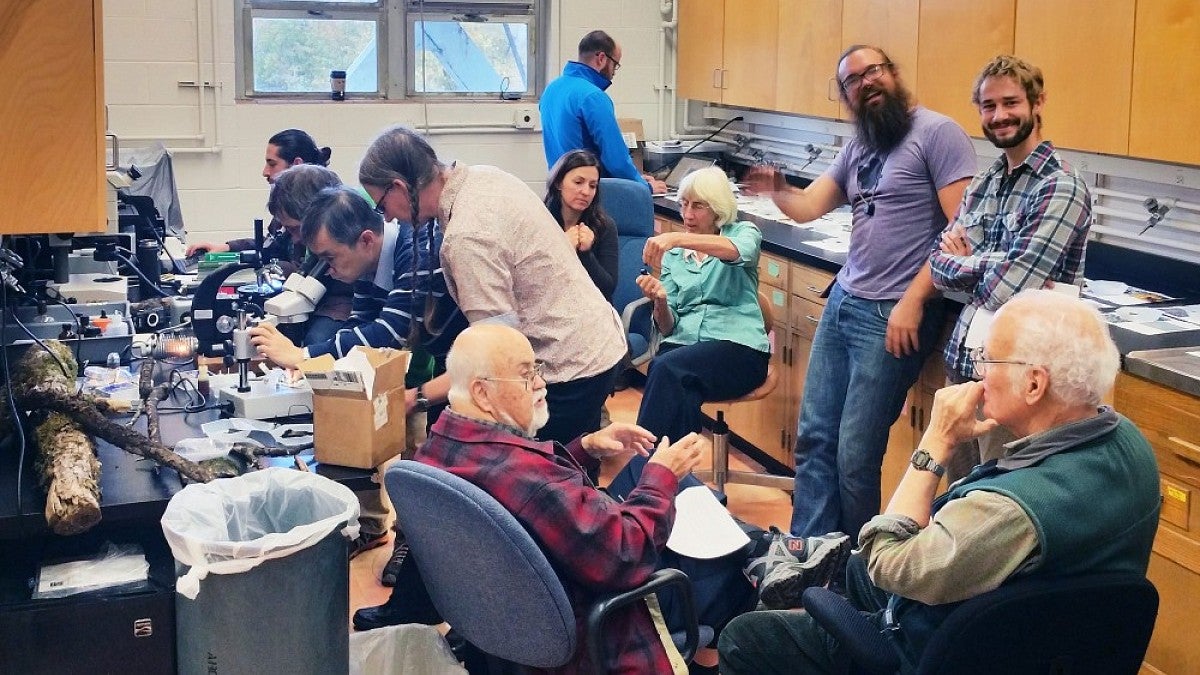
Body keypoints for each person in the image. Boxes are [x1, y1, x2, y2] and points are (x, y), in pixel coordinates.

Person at [354, 324, 851, 673]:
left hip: (520, 612)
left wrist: (584, 448)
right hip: (602, 617)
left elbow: (532, 496)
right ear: (484, 393)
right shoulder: (533, 480)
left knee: (644, 469)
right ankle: (764, 560)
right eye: (527, 375)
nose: (541, 384)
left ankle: (769, 551)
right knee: (674, 492)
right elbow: (626, 552)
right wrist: (663, 476)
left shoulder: (441, 446)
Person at [717, 290, 1162, 674]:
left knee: (746, 636)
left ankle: (775, 561)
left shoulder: (1010, 511)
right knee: (847, 567)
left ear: (1034, 383)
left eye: (989, 358)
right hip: (1044, 645)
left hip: (934, 649)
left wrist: (937, 440)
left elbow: (888, 563)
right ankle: (793, 556)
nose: (978, 369)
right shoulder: (1131, 447)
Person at [743, 45, 977, 543]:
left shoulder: (937, 134)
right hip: (845, 300)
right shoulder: (860, 146)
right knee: (814, 438)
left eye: (873, 71)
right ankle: (806, 553)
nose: (865, 83)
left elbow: (963, 234)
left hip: (894, 312)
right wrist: (778, 188)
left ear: (893, 74)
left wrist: (914, 300)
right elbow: (808, 207)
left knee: (854, 453)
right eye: (852, 80)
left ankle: (855, 566)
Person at [356, 124, 627, 447]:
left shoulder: (467, 237)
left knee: (551, 474)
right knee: (568, 468)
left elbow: (495, 355)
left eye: (381, 205)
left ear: (400, 187)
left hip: (569, 364)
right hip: (593, 339)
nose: (386, 218)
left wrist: (417, 397)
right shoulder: (482, 176)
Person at [250, 186, 469, 559]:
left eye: (329, 257)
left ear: (366, 240)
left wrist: (303, 355)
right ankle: (380, 529)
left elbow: (392, 331)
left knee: (433, 461)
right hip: (446, 354)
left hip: (472, 358)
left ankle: (416, 546)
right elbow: (363, 328)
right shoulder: (370, 264)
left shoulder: (415, 255)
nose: (328, 270)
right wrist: (322, 367)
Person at [929, 55, 1094, 482]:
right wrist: (986, 264)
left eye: (1010, 102)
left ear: (1037, 103)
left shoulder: (1060, 186)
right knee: (958, 502)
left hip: (1023, 385)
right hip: (966, 369)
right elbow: (938, 268)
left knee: (999, 505)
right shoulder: (985, 182)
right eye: (988, 106)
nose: (999, 116)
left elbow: (1009, 286)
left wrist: (969, 261)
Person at [635, 166, 770, 445]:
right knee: (680, 387)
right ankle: (675, 479)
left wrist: (676, 238)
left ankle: (645, 472)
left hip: (738, 349)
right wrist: (659, 300)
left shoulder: (744, 232)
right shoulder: (675, 258)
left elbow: (738, 251)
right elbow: (668, 325)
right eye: (684, 204)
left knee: (664, 368)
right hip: (685, 350)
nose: (687, 215)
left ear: (718, 208)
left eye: (698, 206)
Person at [540, 30, 667, 194]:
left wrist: (637, 177)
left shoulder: (552, 89)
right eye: (615, 64)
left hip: (559, 190)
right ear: (601, 59)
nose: (614, 72)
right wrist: (644, 187)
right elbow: (616, 160)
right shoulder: (592, 96)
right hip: (588, 195)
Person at [186, 129, 333, 261]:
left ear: (297, 164)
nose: (265, 172)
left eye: (272, 164)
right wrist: (227, 247)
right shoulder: (288, 204)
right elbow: (273, 245)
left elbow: (305, 268)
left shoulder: (320, 210)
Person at [261, 164, 355, 346]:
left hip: (342, 303)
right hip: (318, 299)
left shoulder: (347, 237)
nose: (295, 239)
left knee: (317, 340)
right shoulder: (303, 238)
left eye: (296, 229)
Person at [544, 149, 619, 301]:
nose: (586, 191)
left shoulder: (604, 226)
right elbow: (533, 285)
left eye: (592, 186)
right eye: (578, 182)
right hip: (550, 309)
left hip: (592, 310)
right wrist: (562, 250)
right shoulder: (540, 221)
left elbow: (607, 289)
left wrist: (585, 254)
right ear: (559, 182)